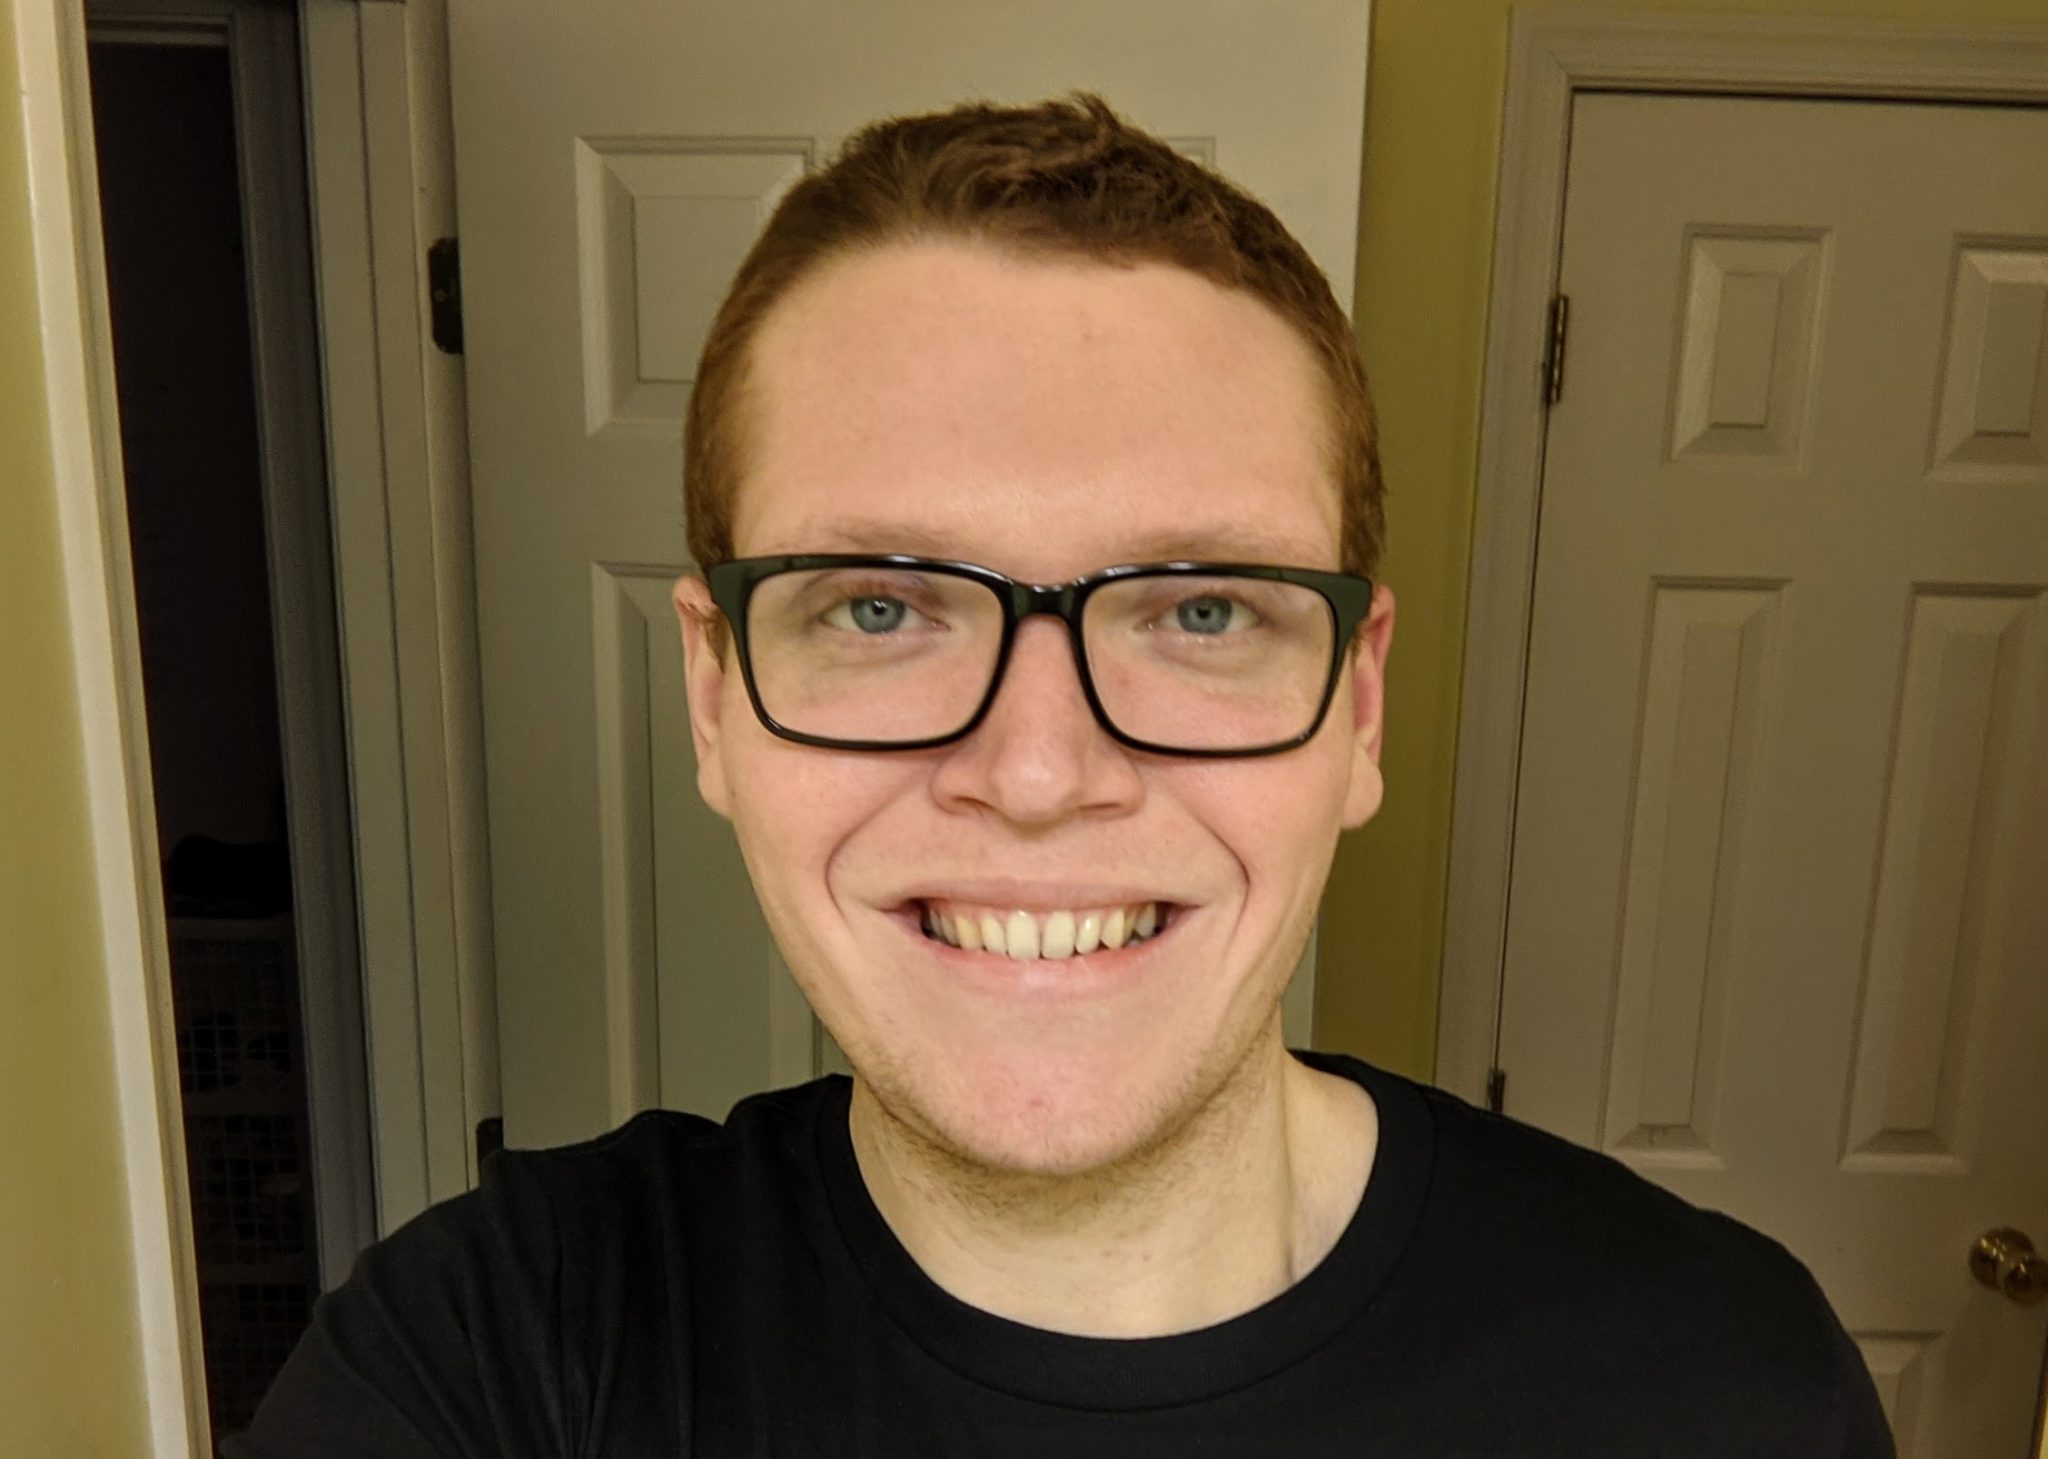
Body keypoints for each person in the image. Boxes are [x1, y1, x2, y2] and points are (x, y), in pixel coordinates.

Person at [231, 94, 1892, 1457]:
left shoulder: (1721, 1386)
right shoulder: (487, 1364)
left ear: (1360, 707)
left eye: (1203, 610)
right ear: (716, 695)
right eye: (879, 607)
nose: (1036, 771)